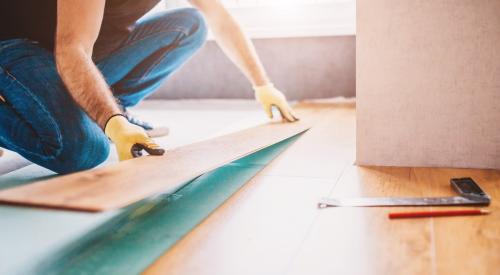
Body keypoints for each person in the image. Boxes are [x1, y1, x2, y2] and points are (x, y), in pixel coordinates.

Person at [0, 0, 298, 174]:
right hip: (19, 45)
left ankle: (106, 108)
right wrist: (112, 123)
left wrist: (263, 84)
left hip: (80, 49)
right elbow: (71, 47)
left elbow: (221, 19)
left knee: (190, 23)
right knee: (83, 149)